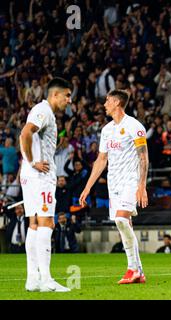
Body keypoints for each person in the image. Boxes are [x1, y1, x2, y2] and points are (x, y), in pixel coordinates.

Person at [79, 89, 149, 285]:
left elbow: (144, 157)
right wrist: (87, 187)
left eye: (108, 101)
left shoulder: (134, 126)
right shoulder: (106, 130)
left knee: (120, 220)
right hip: (114, 183)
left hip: (130, 180)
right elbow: (101, 160)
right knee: (125, 225)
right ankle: (138, 272)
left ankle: (132, 269)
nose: (104, 104)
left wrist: (141, 185)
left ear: (117, 102)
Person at [19, 77, 72, 292]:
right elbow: (25, 133)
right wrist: (33, 162)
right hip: (40, 177)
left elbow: (35, 138)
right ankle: (47, 280)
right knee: (47, 223)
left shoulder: (45, 113)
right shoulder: (43, 110)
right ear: (55, 94)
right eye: (67, 95)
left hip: (30, 177)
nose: (69, 100)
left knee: (33, 225)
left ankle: (33, 279)